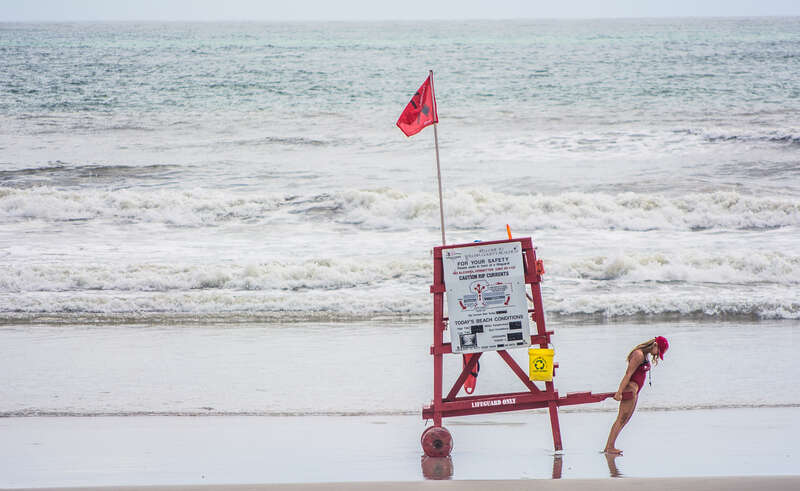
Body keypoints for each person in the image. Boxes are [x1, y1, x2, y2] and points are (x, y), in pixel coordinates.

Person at [604, 336, 669, 454]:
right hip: (630, 390)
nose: (656, 355)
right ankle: (609, 447)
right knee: (621, 418)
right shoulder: (638, 354)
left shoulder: (645, 354)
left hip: (635, 391)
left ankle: (610, 446)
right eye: (658, 352)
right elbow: (628, 374)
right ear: (655, 345)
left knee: (625, 419)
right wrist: (619, 392)